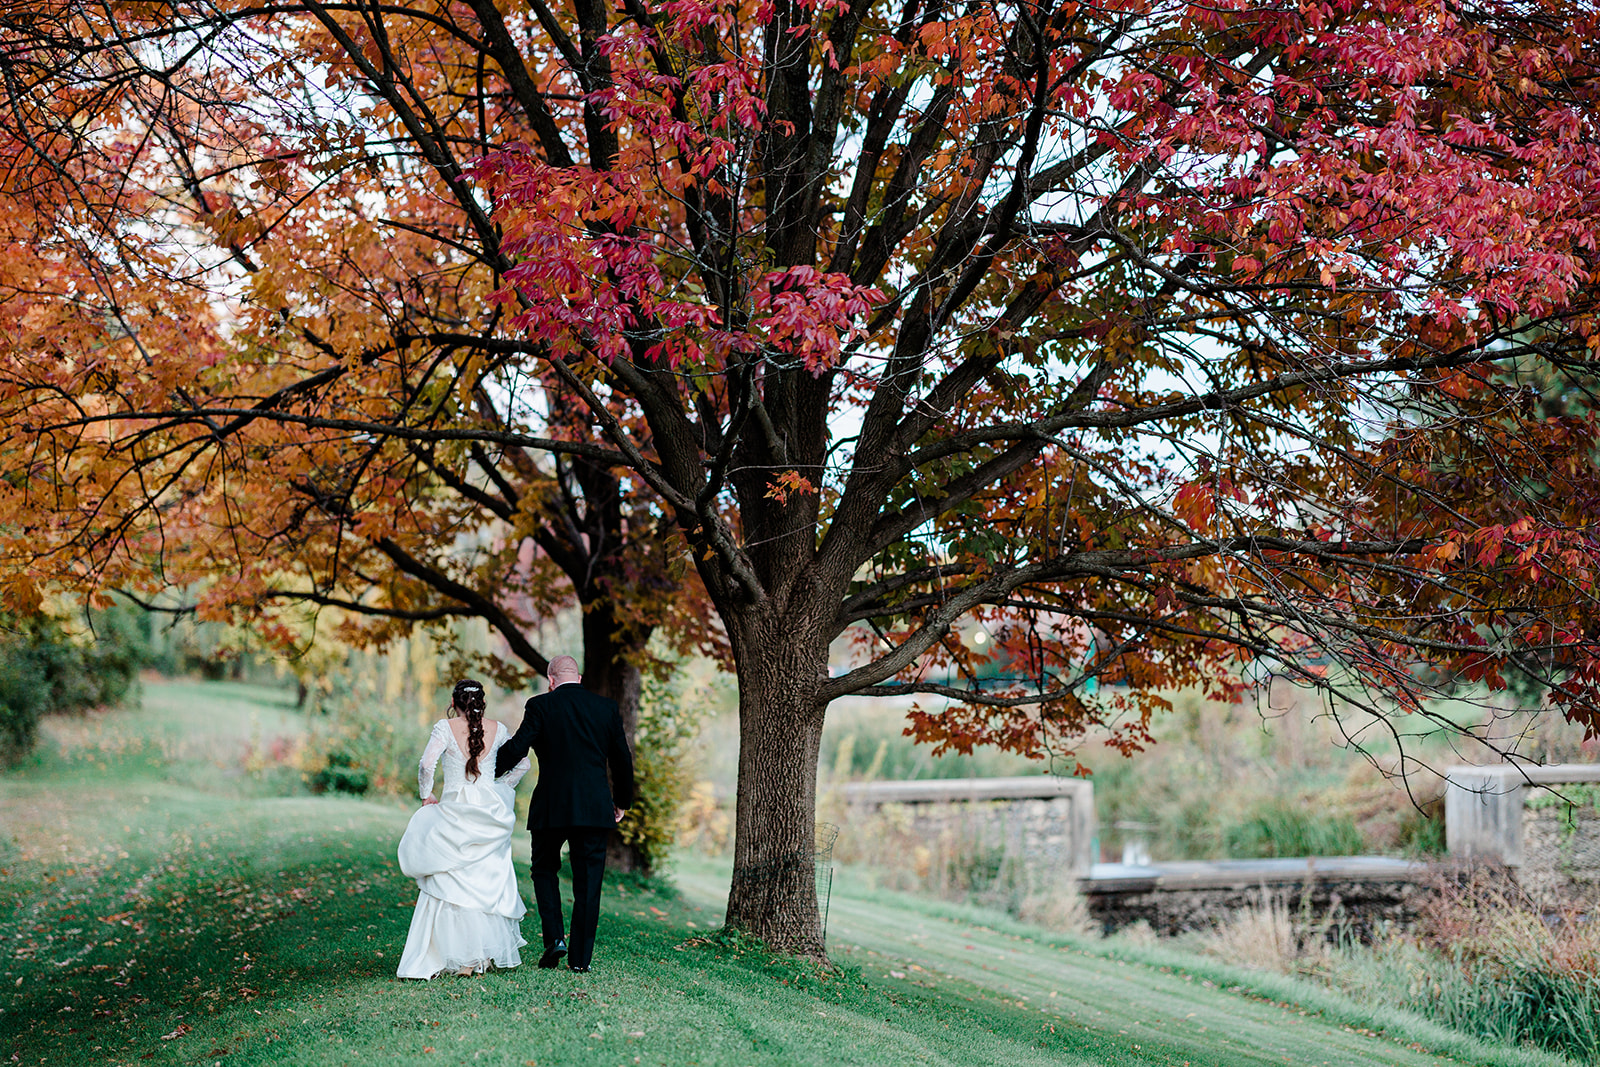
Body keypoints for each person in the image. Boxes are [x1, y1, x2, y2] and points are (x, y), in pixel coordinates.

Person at [494, 655, 634, 973]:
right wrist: (622, 801)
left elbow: (518, 747)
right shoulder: (606, 708)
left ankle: (555, 939)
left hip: (551, 806)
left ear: (551, 680)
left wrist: (484, 771)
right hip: (594, 808)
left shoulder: (541, 705)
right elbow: (622, 759)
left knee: (544, 870)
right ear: (580, 677)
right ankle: (580, 961)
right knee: (588, 883)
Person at [396, 679, 532, 980]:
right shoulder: (498, 729)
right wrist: (499, 787)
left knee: (450, 880)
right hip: (489, 811)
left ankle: (452, 954)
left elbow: (426, 764)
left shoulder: (444, 728)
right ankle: (479, 956)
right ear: (481, 702)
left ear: (454, 702)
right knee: (483, 880)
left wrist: (426, 795)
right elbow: (523, 765)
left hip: (455, 808)